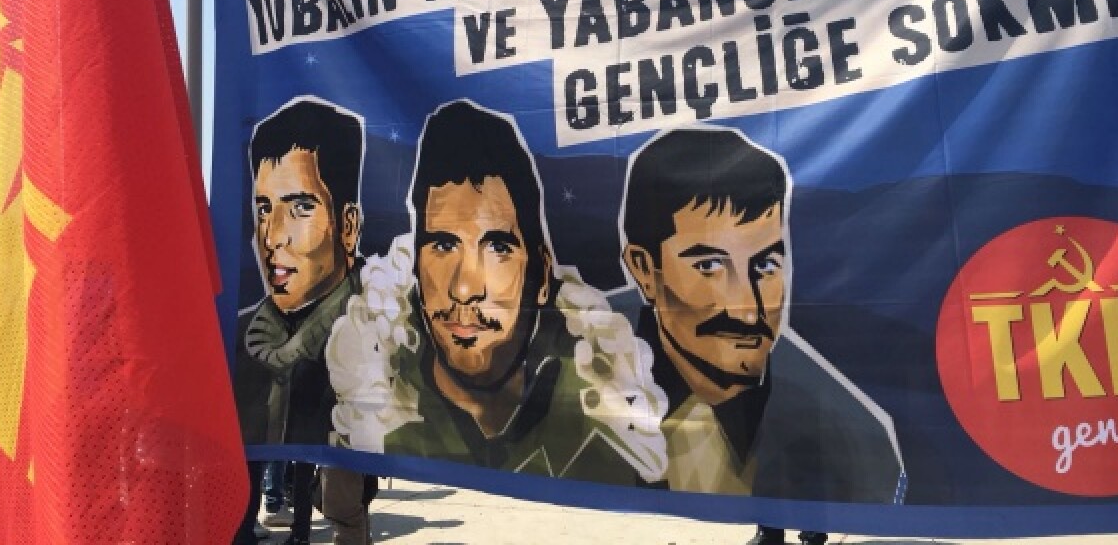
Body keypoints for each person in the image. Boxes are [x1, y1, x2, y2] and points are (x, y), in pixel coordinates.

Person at [328, 99, 666, 485]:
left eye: (498, 247)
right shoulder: (374, 412)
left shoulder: (603, 438)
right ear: (416, 266)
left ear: (542, 278)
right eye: (442, 245)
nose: (464, 288)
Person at [618, 126, 906, 504]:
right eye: (709, 266)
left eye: (766, 266)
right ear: (644, 269)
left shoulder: (854, 442)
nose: (749, 310)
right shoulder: (576, 360)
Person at [232, 96, 372, 545]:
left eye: (299, 208)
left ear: (347, 226)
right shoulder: (242, 335)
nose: (273, 236)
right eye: (263, 209)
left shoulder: (375, 331)